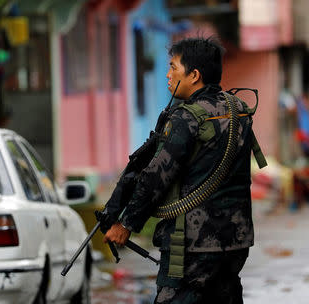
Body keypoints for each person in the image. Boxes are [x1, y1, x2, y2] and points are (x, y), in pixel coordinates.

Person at [104, 37, 256, 304]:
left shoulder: (187, 117)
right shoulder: (238, 111)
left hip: (193, 244)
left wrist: (126, 224)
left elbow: (156, 176)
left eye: (173, 67)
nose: (168, 74)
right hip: (236, 240)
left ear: (194, 75)